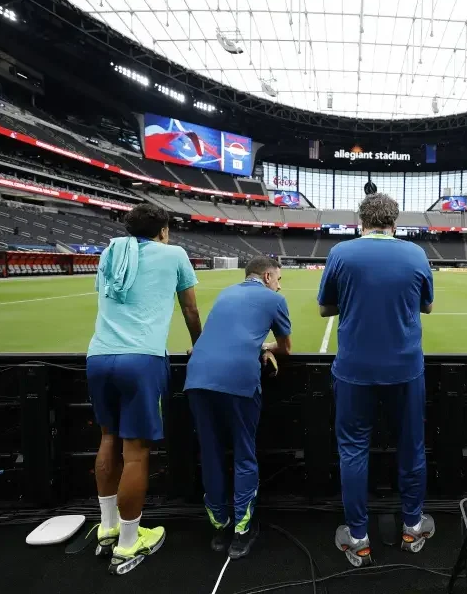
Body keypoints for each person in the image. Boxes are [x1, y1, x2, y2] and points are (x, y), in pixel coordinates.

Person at [318, 193, 435, 567]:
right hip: (405, 368)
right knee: (411, 446)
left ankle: (358, 538)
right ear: (394, 223)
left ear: (360, 221)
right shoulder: (416, 253)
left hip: (354, 369)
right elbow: (427, 305)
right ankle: (413, 527)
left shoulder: (341, 252)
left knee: (352, 449)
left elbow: (325, 307)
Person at [86, 203, 203, 575]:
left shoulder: (110, 252)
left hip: (99, 356)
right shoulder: (174, 254)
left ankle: (107, 528)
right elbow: (189, 310)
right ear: (164, 230)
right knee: (135, 453)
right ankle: (127, 542)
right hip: (141, 360)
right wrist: (199, 343)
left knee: (107, 438)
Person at [184, 256, 292, 559]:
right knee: (244, 454)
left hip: (198, 377)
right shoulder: (273, 299)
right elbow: (285, 348)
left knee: (211, 453)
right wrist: (263, 346)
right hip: (237, 380)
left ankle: (220, 527)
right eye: (279, 279)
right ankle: (241, 533)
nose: (279, 285)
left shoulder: (225, 293)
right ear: (268, 276)